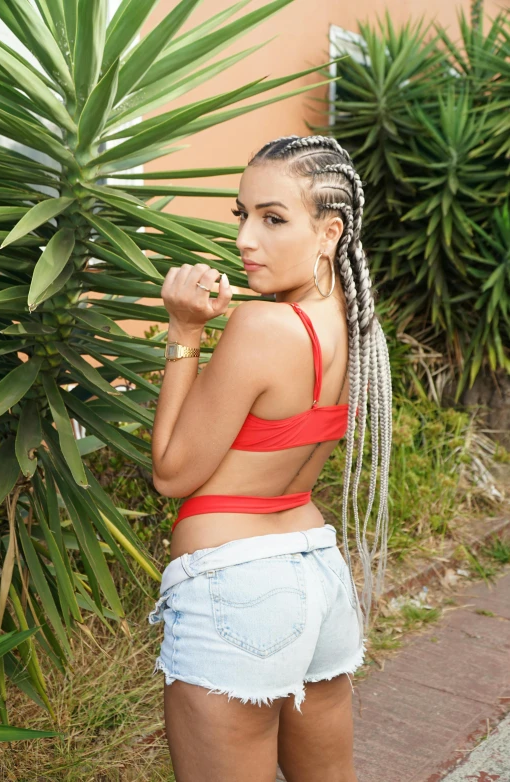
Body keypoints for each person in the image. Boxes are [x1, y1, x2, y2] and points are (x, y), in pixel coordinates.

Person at [149, 134, 392, 781]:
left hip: (238, 589)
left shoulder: (262, 327)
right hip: (318, 577)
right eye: (242, 214)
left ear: (328, 231)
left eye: (273, 218)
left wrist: (185, 332)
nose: (245, 239)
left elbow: (172, 473)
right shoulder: (356, 327)